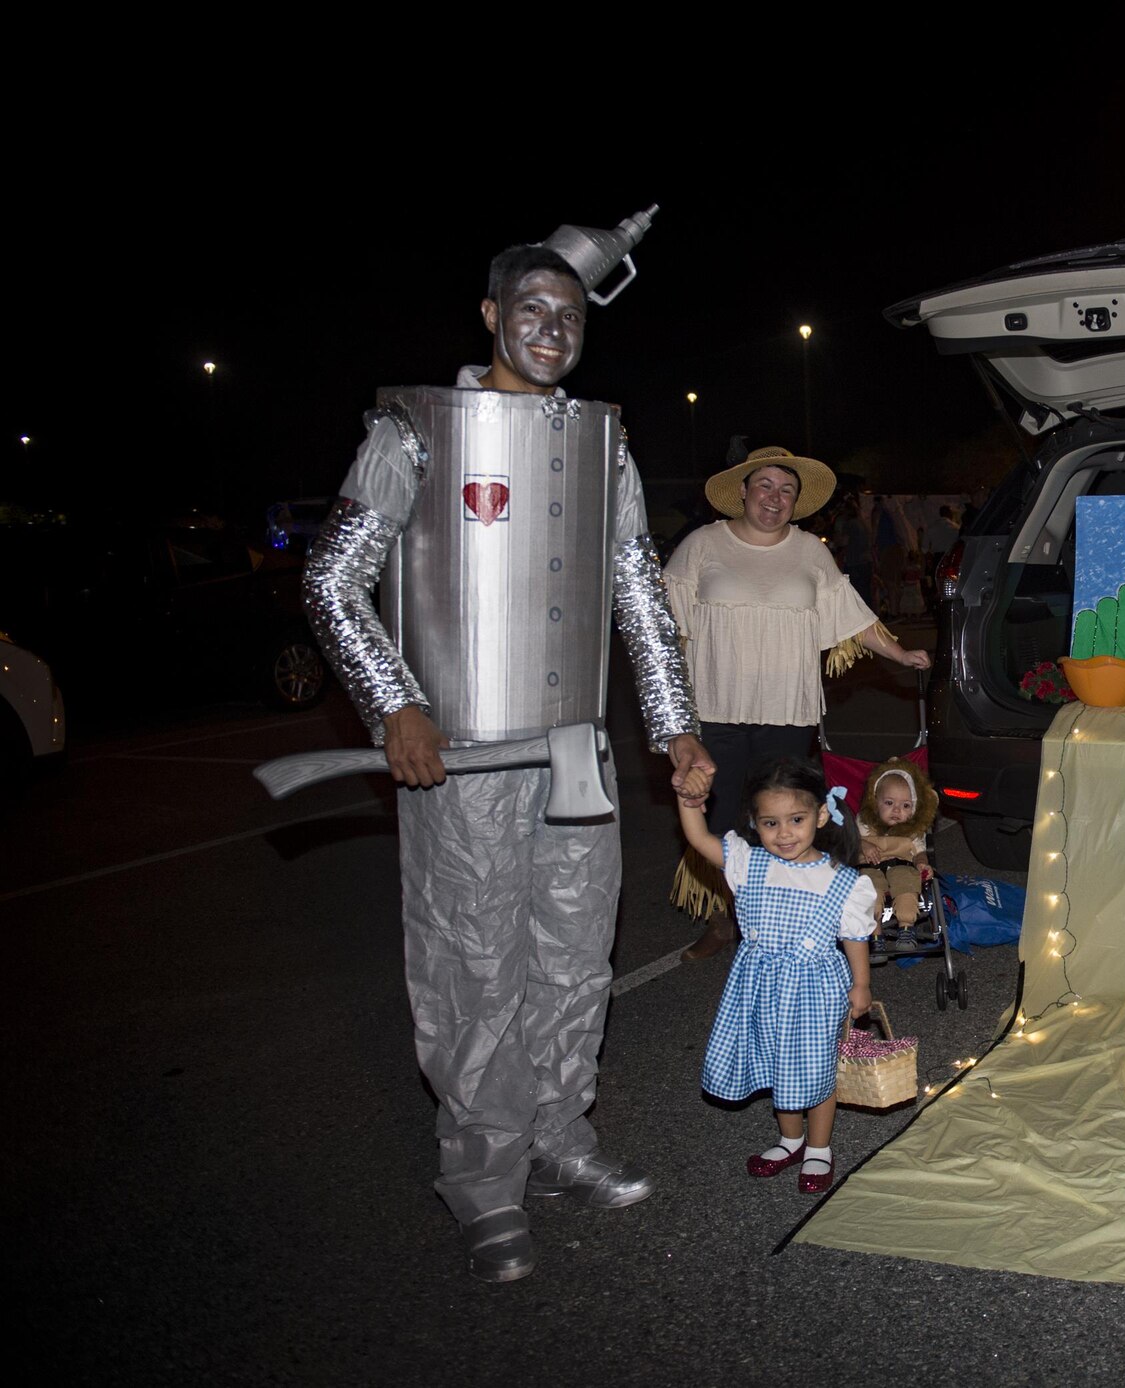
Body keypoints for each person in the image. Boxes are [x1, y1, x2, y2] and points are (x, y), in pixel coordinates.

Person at [305, 240, 714, 1282]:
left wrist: (673, 724)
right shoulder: (417, 429)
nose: (552, 329)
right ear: (490, 314)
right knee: (474, 964)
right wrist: (395, 704)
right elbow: (332, 581)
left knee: (574, 955)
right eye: (531, 309)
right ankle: (483, 1180)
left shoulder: (600, 442)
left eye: (569, 314)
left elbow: (636, 592)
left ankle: (559, 1134)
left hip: (575, 749)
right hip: (465, 755)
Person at [667, 450, 931, 960]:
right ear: (743, 492)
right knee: (721, 821)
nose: (775, 497)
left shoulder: (810, 550)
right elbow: (665, 627)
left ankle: (779, 916)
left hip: (787, 711)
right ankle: (727, 918)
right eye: (765, 485)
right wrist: (673, 713)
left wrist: (900, 653)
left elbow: (850, 614)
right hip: (714, 710)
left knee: (782, 818)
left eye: (786, 489)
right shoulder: (702, 544)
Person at [677, 757, 876, 1194]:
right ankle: (791, 1140)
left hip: (814, 990)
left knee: (815, 1069)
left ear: (820, 816)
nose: (784, 833)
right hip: (758, 988)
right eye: (770, 823)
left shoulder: (841, 881)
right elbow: (698, 837)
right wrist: (689, 800)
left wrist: (860, 984)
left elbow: (855, 937)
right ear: (755, 823)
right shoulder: (748, 862)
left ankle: (819, 1147)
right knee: (777, 1062)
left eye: (796, 820)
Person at [857, 756, 938, 937]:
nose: (896, 810)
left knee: (908, 887)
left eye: (906, 805)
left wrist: (922, 863)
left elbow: (919, 852)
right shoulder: (864, 823)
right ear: (875, 802)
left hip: (902, 866)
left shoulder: (912, 831)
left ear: (914, 809)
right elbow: (848, 840)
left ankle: (906, 928)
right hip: (870, 867)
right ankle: (875, 934)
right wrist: (863, 843)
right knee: (869, 892)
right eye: (889, 803)